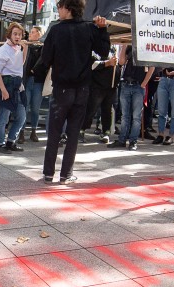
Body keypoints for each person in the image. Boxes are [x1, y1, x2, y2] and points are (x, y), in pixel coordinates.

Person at [32, 0, 110, 184]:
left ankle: (49, 173)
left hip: (61, 88)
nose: (58, 10)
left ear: (68, 8)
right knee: (73, 133)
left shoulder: (57, 30)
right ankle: (66, 174)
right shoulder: (89, 28)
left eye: (60, 6)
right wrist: (102, 29)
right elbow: (104, 52)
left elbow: (46, 59)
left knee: (54, 133)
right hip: (82, 88)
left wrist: (40, 71)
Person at [109, 44, 154, 150]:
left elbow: (152, 67)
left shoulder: (146, 47)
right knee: (125, 116)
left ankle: (133, 141)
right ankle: (122, 140)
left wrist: (143, 84)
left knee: (136, 117)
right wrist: (124, 46)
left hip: (138, 85)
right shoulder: (129, 47)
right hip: (126, 84)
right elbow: (121, 62)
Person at [0, 22, 29, 153]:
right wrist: (3, 89)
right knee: (4, 116)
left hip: (18, 85)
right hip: (7, 84)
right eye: (15, 34)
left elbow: (20, 64)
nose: (18, 37)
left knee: (22, 116)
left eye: (20, 34)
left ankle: (11, 141)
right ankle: (0, 143)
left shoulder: (18, 49)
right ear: (9, 34)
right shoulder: (3, 50)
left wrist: (25, 50)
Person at [22, 25, 46, 143]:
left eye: (33, 32)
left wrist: (34, 70)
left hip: (38, 82)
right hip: (27, 81)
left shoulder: (43, 47)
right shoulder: (27, 46)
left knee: (35, 108)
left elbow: (43, 61)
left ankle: (33, 131)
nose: (30, 34)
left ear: (39, 34)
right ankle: (21, 131)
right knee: (24, 107)